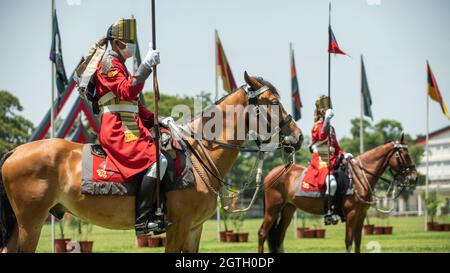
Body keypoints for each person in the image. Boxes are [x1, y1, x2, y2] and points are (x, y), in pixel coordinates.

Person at [75, 18, 168, 235]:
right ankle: (143, 220)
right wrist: (145, 66)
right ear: (117, 43)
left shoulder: (120, 65)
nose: (132, 46)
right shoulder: (108, 64)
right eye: (129, 42)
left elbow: (132, 106)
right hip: (117, 129)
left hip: (129, 125)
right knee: (159, 160)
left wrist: (159, 119)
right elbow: (127, 91)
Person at [302, 95, 353, 225]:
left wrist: (344, 154)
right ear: (320, 112)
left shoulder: (332, 128)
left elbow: (336, 147)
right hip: (321, 157)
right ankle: (327, 213)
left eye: (328, 108)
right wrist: (326, 120)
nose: (327, 110)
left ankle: (340, 209)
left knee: (345, 178)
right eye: (325, 109)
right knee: (332, 184)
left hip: (333, 158)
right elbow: (321, 135)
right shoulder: (317, 126)